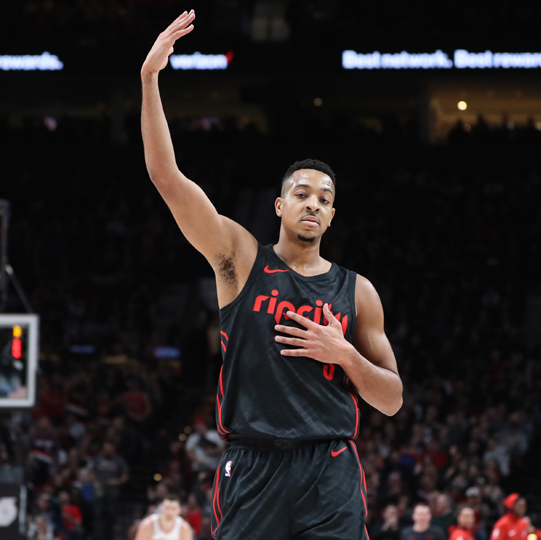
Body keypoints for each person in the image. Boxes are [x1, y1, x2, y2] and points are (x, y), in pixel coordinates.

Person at [140, 10, 402, 540]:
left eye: (324, 199)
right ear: (280, 205)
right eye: (302, 194)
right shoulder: (240, 259)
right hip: (252, 465)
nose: (313, 204)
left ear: (332, 215)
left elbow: (392, 399)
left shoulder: (358, 291)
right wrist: (149, 80)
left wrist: (345, 355)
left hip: (329, 466)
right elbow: (167, 177)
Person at [91, 442, 129, 540]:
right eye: (105, 448)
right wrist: (95, 482)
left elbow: (125, 476)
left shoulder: (119, 460)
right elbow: (92, 472)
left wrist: (117, 481)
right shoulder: (98, 458)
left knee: (111, 516)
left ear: (113, 448)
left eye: (109, 448)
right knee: (98, 515)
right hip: (100, 491)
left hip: (112, 492)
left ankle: (110, 537)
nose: (107, 450)